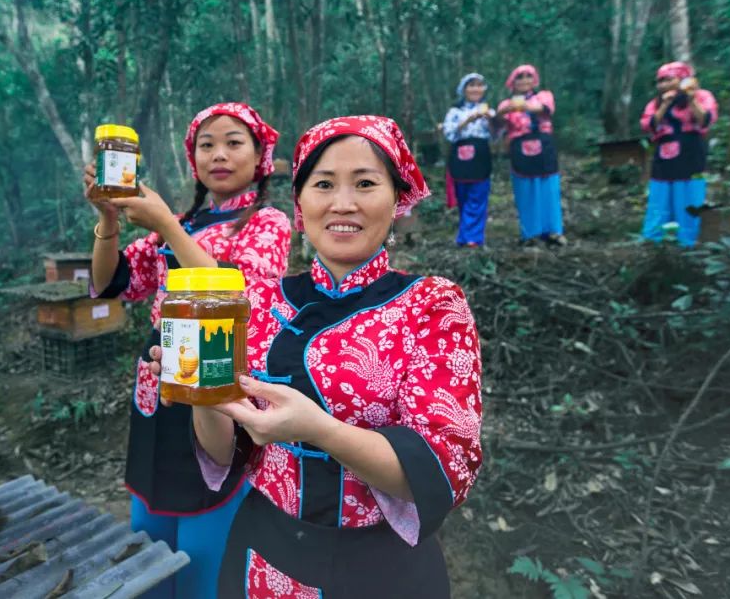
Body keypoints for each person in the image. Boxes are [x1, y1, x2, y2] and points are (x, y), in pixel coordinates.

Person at [146, 116, 483, 597]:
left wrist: (316, 429)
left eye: (365, 183)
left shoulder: (433, 305)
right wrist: (204, 391)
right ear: (301, 205)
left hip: (381, 567)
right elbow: (225, 451)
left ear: (397, 199)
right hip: (264, 553)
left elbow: (444, 462)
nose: (342, 203)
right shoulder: (260, 301)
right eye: (323, 184)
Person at [84, 102, 292, 599]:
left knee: (206, 541)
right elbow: (110, 283)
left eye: (234, 142)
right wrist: (108, 219)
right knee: (150, 540)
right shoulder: (175, 221)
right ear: (192, 158)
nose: (219, 154)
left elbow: (237, 295)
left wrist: (167, 226)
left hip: (219, 377)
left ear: (260, 156)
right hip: (159, 387)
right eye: (207, 144)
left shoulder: (267, 222)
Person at [640, 61, 718, 247]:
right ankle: (653, 242)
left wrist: (691, 99)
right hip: (664, 156)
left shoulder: (702, 96)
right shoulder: (656, 102)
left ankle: (687, 242)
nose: (663, 85)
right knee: (660, 199)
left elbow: (706, 120)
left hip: (691, 154)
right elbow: (647, 125)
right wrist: (665, 104)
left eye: (668, 80)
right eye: (660, 81)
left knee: (689, 198)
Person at [497, 64, 566, 246]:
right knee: (526, 191)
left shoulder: (544, 96)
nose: (524, 80)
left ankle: (553, 232)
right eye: (520, 77)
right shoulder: (505, 103)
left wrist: (519, 105)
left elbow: (544, 108)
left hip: (544, 147)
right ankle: (530, 234)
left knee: (549, 189)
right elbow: (498, 122)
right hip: (520, 150)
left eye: (528, 76)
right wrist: (501, 113)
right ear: (513, 82)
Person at [443, 73, 498, 247]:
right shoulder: (455, 111)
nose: (476, 89)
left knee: (478, 196)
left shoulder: (489, 111)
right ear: (464, 89)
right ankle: (463, 237)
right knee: (463, 197)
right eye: (471, 85)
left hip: (481, 157)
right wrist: (468, 120)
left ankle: (473, 239)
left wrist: (490, 121)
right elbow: (449, 133)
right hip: (460, 157)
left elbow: (496, 136)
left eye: (479, 85)